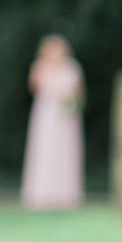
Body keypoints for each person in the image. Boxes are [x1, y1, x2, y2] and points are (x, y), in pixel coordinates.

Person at [21, 34, 85, 210]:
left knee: (65, 152)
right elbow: (34, 87)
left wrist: (71, 102)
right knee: (44, 149)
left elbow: (79, 92)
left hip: (66, 117)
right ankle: (41, 193)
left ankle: (66, 194)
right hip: (46, 114)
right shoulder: (40, 66)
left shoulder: (72, 68)